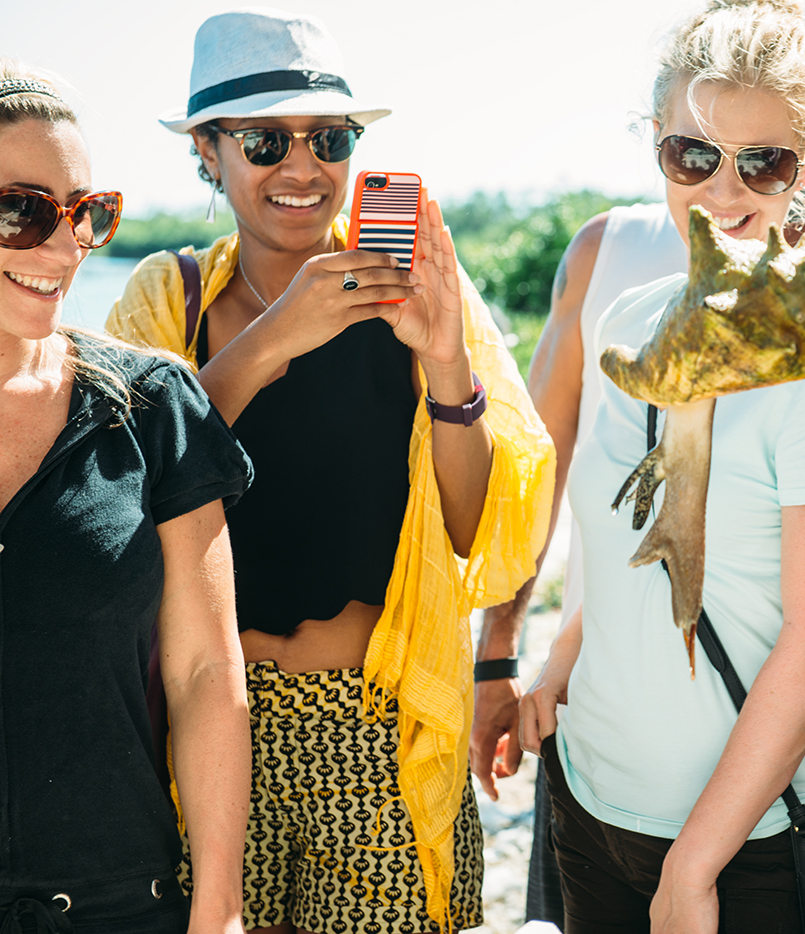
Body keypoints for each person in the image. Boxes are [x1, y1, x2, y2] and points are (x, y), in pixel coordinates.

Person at [470, 1, 805, 920]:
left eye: (764, 162)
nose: (724, 189)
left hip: (756, 840)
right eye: (692, 155)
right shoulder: (632, 318)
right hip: (591, 803)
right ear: (657, 146)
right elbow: (630, 536)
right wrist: (544, 670)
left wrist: (693, 867)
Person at [106, 11, 553, 934]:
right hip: (209, 724)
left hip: (376, 728)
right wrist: (276, 340)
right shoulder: (170, 297)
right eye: (266, 142)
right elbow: (117, 481)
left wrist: (445, 365)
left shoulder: (418, 288)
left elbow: (480, 532)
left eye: (331, 139)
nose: (303, 169)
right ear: (207, 152)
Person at [0, 62, 252, 933]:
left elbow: (206, 674)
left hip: (117, 909)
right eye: (20, 211)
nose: (65, 248)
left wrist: (217, 909)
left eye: (85, 213)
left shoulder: (153, 406)